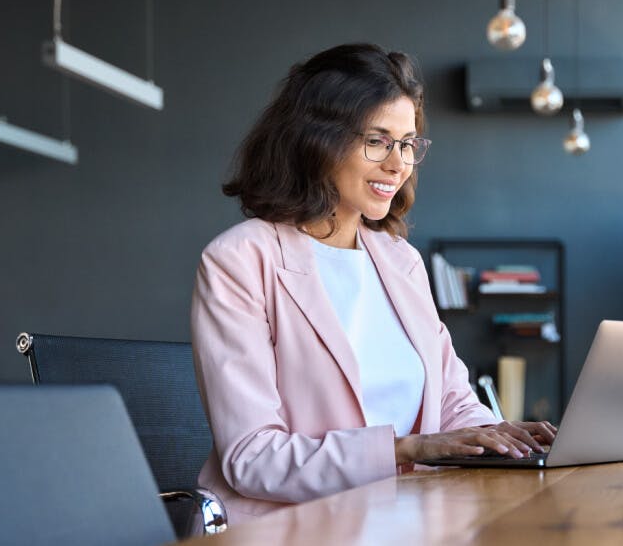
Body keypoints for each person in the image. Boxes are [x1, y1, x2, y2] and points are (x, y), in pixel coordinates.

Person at [190, 43, 557, 522]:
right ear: (316, 140)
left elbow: (451, 402)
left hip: (414, 520)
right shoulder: (239, 261)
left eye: (407, 144)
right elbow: (253, 458)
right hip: (297, 528)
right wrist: (409, 448)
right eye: (378, 141)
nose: (398, 164)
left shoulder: (400, 260)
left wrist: (503, 438)